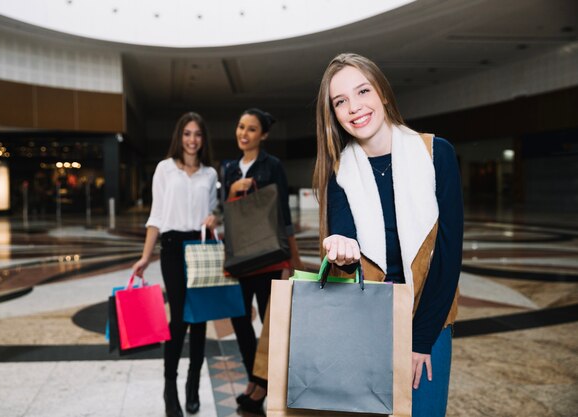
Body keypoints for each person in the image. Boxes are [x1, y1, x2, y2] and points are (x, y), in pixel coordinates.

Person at [313, 53, 463, 417]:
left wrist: (421, 339)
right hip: (366, 320)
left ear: (381, 92)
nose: (354, 107)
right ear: (333, 114)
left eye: (362, 91)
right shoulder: (339, 172)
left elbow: (447, 255)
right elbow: (347, 254)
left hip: (429, 316)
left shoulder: (436, 154)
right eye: (340, 101)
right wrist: (340, 250)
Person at [132, 112, 218, 417]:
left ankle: (193, 387)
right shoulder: (164, 169)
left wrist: (214, 218)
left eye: (197, 134)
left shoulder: (209, 174)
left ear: (203, 139)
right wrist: (145, 256)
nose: (192, 140)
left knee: (200, 321)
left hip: (199, 248)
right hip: (171, 249)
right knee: (179, 319)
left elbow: (211, 212)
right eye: (187, 134)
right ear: (178, 137)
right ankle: (170, 388)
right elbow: (156, 216)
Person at [223, 108, 304, 413]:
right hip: (240, 259)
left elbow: (283, 213)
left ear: (263, 135)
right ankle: (256, 379)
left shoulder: (273, 166)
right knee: (240, 320)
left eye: (252, 129)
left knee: (269, 325)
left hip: (269, 258)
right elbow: (224, 215)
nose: (244, 133)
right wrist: (231, 191)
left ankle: (259, 388)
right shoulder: (229, 169)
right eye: (241, 127)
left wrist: (291, 259)